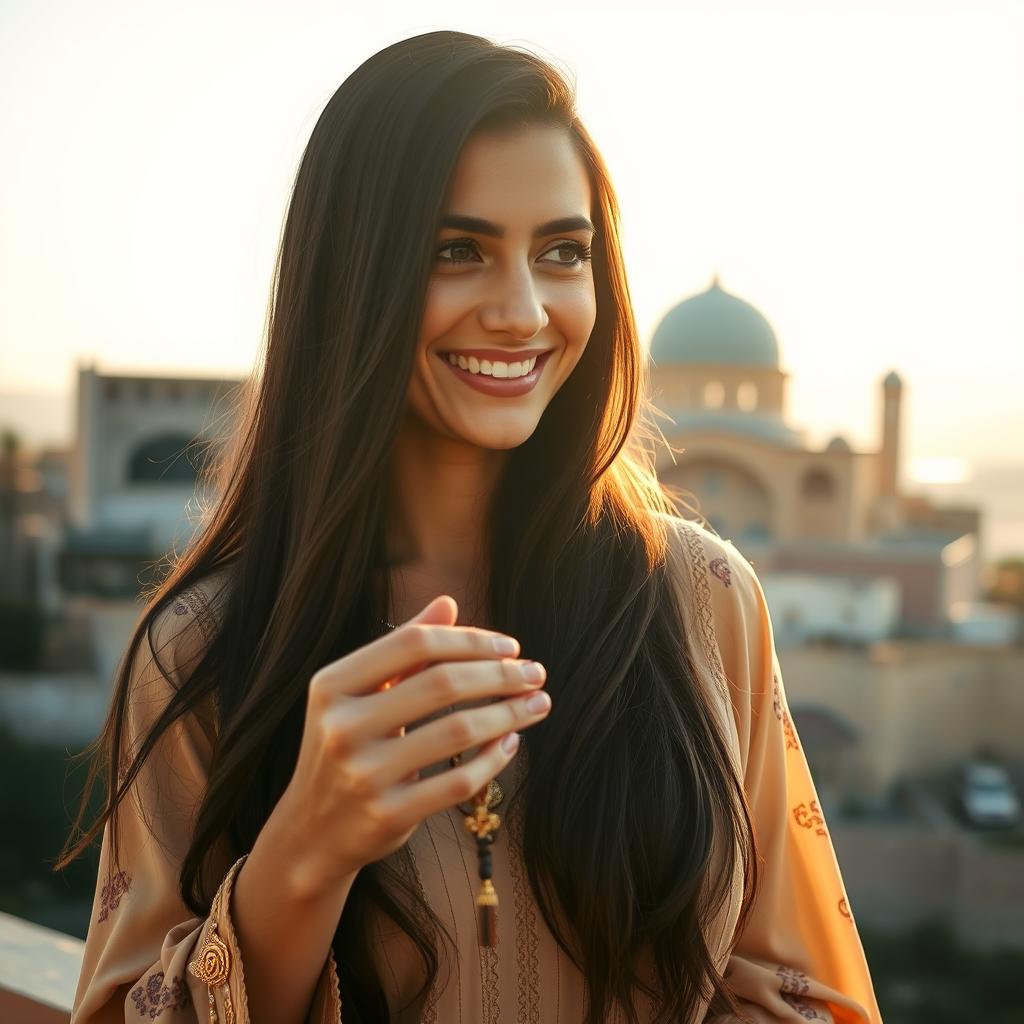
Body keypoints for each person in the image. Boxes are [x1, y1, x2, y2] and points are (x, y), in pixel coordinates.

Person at [61, 29, 883, 1024]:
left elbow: (806, 994)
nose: (522, 309)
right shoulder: (204, 649)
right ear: (349, 277)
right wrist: (306, 848)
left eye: (561, 252)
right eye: (457, 250)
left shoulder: (702, 601)